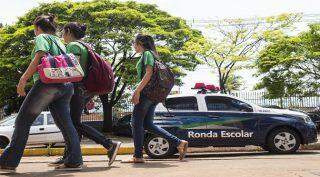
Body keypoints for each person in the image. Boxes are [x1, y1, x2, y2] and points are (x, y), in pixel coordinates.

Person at [0, 15, 83, 172]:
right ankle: (75, 159)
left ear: (37, 28)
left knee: (22, 121)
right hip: (66, 85)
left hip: (48, 85)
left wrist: (23, 79)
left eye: (34, 29)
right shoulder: (60, 41)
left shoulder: (42, 37)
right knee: (65, 123)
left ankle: (8, 161)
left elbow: (39, 56)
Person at [48, 22, 121, 167]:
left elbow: (74, 70)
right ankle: (69, 156)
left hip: (76, 88)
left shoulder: (73, 46)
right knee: (72, 124)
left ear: (68, 31)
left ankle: (109, 144)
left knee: (73, 123)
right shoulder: (85, 46)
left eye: (63, 32)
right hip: (83, 89)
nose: (62, 35)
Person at [122, 34, 188, 163]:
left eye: (134, 43)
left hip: (146, 94)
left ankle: (138, 156)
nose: (133, 46)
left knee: (135, 123)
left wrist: (137, 91)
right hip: (155, 95)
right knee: (148, 124)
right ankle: (179, 142)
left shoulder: (147, 54)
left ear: (140, 43)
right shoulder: (154, 55)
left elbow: (148, 73)